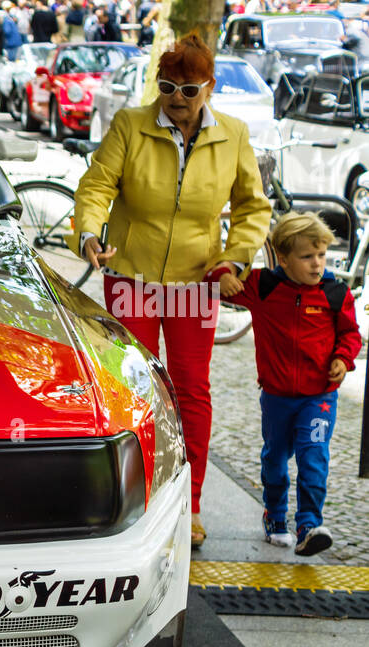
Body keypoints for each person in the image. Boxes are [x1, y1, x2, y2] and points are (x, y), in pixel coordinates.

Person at [70, 33, 271, 547]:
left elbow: (253, 208)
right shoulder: (131, 125)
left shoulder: (234, 135)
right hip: (131, 275)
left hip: (195, 282)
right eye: (166, 87)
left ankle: (192, 501)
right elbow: (97, 186)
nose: (176, 99)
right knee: (132, 386)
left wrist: (235, 258)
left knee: (190, 390)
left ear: (209, 88)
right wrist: (91, 233)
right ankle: (131, 497)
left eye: (188, 90)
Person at [213, 213, 362, 556]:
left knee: (313, 459)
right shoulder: (264, 285)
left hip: (319, 397)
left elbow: (350, 334)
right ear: (282, 258)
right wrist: (223, 276)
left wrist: (342, 358)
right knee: (275, 461)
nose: (317, 264)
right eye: (307, 257)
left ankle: (309, 525)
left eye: (321, 255)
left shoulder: (335, 292)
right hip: (277, 397)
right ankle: (275, 515)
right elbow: (214, 279)